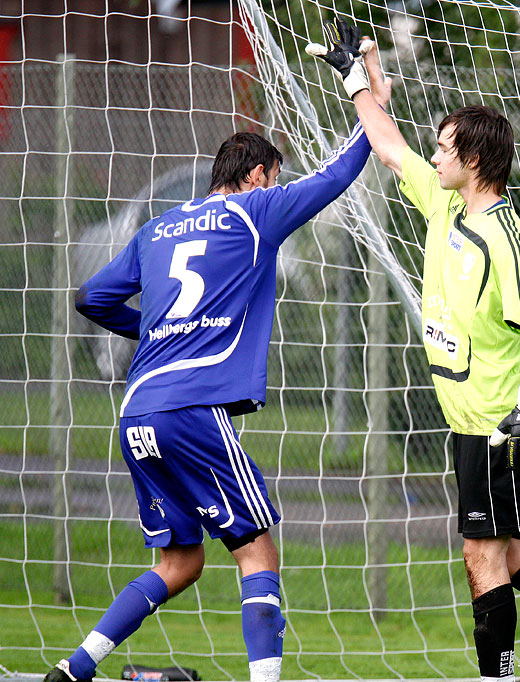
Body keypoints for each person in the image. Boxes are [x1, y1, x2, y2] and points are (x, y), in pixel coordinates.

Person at [308, 17, 520, 682]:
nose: (434, 157)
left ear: (473, 162)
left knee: (481, 557)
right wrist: (361, 84)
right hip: (467, 421)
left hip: (496, 424)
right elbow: (386, 148)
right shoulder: (445, 209)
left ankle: (496, 677)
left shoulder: (506, 235)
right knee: (510, 556)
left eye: (444, 149)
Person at [44, 47, 386, 682]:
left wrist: (150, 332)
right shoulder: (256, 213)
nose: (278, 187)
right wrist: (372, 103)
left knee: (179, 563)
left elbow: (91, 298)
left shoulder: (158, 228)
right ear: (257, 175)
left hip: (138, 411)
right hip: (194, 409)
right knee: (256, 550)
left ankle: (76, 666)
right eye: (276, 177)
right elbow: (340, 174)